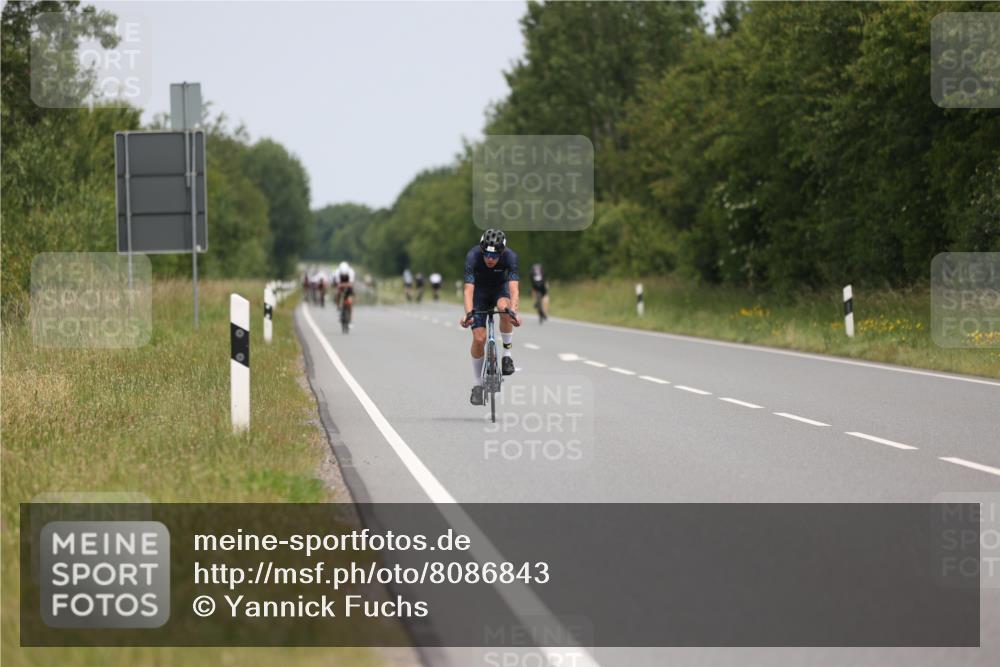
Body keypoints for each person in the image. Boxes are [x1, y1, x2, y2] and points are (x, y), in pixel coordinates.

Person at [459, 229, 521, 405]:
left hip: (500, 290)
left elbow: (514, 289)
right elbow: (468, 290)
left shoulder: (511, 257)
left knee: (504, 309)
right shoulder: (472, 256)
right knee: (479, 339)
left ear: (502, 252)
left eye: (494, 256)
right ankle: (478, 385)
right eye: (486, 254)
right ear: (481, 250)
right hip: (479, 293)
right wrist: (469, 313)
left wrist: (513, 311)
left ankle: (507, 355)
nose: (490, 259)